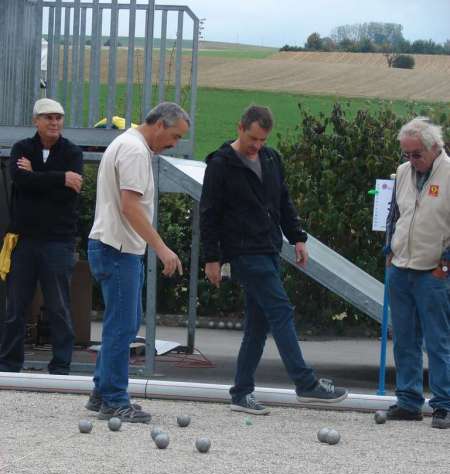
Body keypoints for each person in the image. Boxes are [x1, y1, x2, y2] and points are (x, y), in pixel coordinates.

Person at [200, 105, 348, 415]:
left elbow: (283, 200)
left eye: (262, 140)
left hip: (269, 248)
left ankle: (241, 392)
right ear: (240, 127)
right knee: (281, 310)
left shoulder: (271, 158)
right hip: (243, 252)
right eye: (253, 138)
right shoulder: (220, 164)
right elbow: (209, 214)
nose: (256, 146)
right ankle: (305, 384)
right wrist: (210, 258)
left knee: (258, 323)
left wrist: (297, 237)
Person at [87, 101, 190, 423]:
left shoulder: (128, 145)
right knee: (122, 327)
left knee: (124, 324)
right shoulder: (134, 150)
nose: (174, 144)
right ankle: (115, 400)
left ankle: (102, 392)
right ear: (159, 125)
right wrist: (161, 248)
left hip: (115, 247)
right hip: (118, 249)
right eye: (174, 136)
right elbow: (130, 206)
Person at [0, 98, 83, 375]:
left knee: (59, 306)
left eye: (58, 117)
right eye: (48, 117)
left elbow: (69, 194)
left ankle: (61, 366)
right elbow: (19, 180)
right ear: (36, 120)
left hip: (58, 241)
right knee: (16, 307)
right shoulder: (22, 148)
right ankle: (10, 364)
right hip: (23, 241)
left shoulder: (72, 152)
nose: (54, 122)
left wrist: (37, 175)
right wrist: (60, 178)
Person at [385, 117, 450, 429]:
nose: (411, 161)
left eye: (416, 155)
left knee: (438, 340)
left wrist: (445, 265)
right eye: (406, 154)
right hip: (400, 268)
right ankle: (409, 401)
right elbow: (394, 215)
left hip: (434, 272)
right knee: (404, 340)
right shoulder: (401, 173)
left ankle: (443, 405)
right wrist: (388, 251)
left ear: (434, 148)